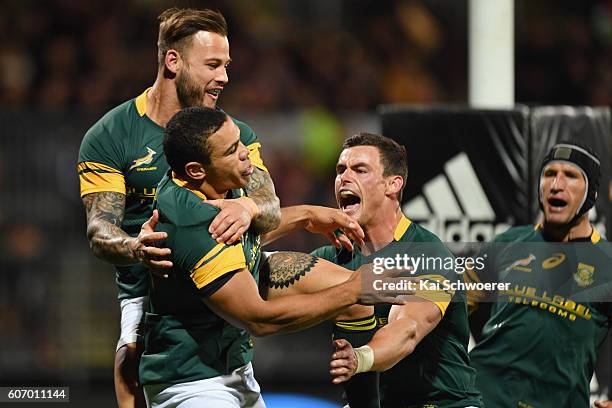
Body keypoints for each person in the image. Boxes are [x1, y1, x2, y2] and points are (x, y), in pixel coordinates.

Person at [77, 8, 282, 407]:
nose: (223, 77)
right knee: (130, 352)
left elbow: (271, 207)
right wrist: (137, 247)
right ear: (172, 61)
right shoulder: (110, 136)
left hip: (224, 277)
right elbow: (99, 229)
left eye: (226, 65)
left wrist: (249, 211)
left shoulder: (232, 134)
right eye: (212, 65)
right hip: (152, 292)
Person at [141, 107, 409, 408]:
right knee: (353, 293)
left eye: (240, 142)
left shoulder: (214, 183)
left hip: (233, 368)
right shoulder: (193, 223)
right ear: (196, 170)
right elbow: (258, 319)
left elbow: (240, 237)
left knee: (357, 301)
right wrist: (352, 290)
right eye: (231, 150)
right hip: (193, 384)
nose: (245, 154)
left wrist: (306, 215)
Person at [323, 133, 483, 407]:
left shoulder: (429, 255)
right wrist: (298, 217)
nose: (344, 178)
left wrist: (360, 358)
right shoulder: (331, 258)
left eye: (360, 170)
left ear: (393, 185)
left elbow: (407, 329)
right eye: (340, 170)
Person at [465, 142, 612, 407]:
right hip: (485, 398)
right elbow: (445, 306)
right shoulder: (508, 243)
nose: (556, 184)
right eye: (549, 174)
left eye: (571, 175)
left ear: (591, 193)